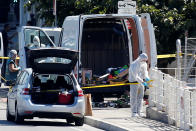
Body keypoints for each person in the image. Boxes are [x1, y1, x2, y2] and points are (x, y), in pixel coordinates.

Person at [129, 53, 150, 117]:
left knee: (141, 97)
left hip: (141, 82)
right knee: (134, 97)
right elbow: (135, 76)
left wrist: (146, 77)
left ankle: (139, 111)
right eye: (143, 60)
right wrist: (142, 81)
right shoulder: (134, 64)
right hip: (134, 82)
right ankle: (134, 112)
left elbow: (145, 72)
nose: (144, 61)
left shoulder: (144, 64)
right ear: (140, 58)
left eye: (145, 60)